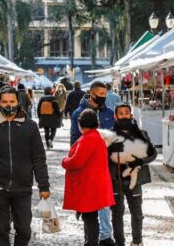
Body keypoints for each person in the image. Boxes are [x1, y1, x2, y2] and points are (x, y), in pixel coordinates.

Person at [0, 87, 51, 246]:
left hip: (23, 188)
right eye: (4, 102)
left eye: (12, 101)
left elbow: (39, 158)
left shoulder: (30, 127)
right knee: (0, 231)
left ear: (18, 102)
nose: (8, 105)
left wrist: (44, 185)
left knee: (24, 230)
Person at [70, 81, 116, 245]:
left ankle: (105, 235)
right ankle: (90, 240)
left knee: (104, 202)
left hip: (106, 165)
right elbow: (75, 139)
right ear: (91, 93)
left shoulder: (109, 112)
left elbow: (115, 136)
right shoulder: (78, 113)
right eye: (100, 94)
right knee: (89, 206)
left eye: (105, 95)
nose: (103, 97)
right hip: (87, 167)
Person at [108, 104, 157, 246]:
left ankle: (137, 241)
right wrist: (109, 149)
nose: (124, 116)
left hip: (135, 180)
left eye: (126, 113)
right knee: (117, 215)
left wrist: (140, 162)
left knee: (136, 213)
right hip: (115, 180)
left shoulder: (141, 133)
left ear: (131, 115)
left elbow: (153, 154)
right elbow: (100, 158)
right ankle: (119, 243)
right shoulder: (108, 135)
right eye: (121, 113)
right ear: (115, 116)